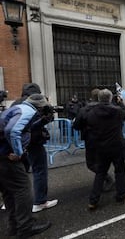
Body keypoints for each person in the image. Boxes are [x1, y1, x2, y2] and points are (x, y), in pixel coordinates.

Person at [0, 94, 52, 238]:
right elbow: (13, 130)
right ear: (40, 106)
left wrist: (40, 121)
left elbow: (23, 128)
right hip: (6, 157)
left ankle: (14, 226)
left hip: (1, 157)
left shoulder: (17, 108)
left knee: (8, 192)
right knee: (22, 190)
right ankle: (25, 228)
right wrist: (19, 152)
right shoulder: (28, 111)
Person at [82, 89, 125, 210]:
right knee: (119, 171)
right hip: (116, 146)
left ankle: (93, 201)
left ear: (98, 99)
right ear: (110, 99)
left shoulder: (91, 112)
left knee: (100, 173)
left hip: (101, 147)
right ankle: (121, 196)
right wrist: (120, 103)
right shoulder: (117, 110)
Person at [73, 88, 115, 192]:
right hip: (107, 138)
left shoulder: (85, 110)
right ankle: (105, 180)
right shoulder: (109, 108)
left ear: (91, 97)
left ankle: (106, 180)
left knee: (91, 164)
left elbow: (76, 126)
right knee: (103, 162)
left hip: (91, 140)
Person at [25, 95, 58, 213]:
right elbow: (29, 127)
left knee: (19, 174)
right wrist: (43, 120)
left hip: (23, 145)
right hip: (33, 144)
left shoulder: (19, 106)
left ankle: (11, 201)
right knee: (40, 171)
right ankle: (40, 202)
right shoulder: (29, 111)